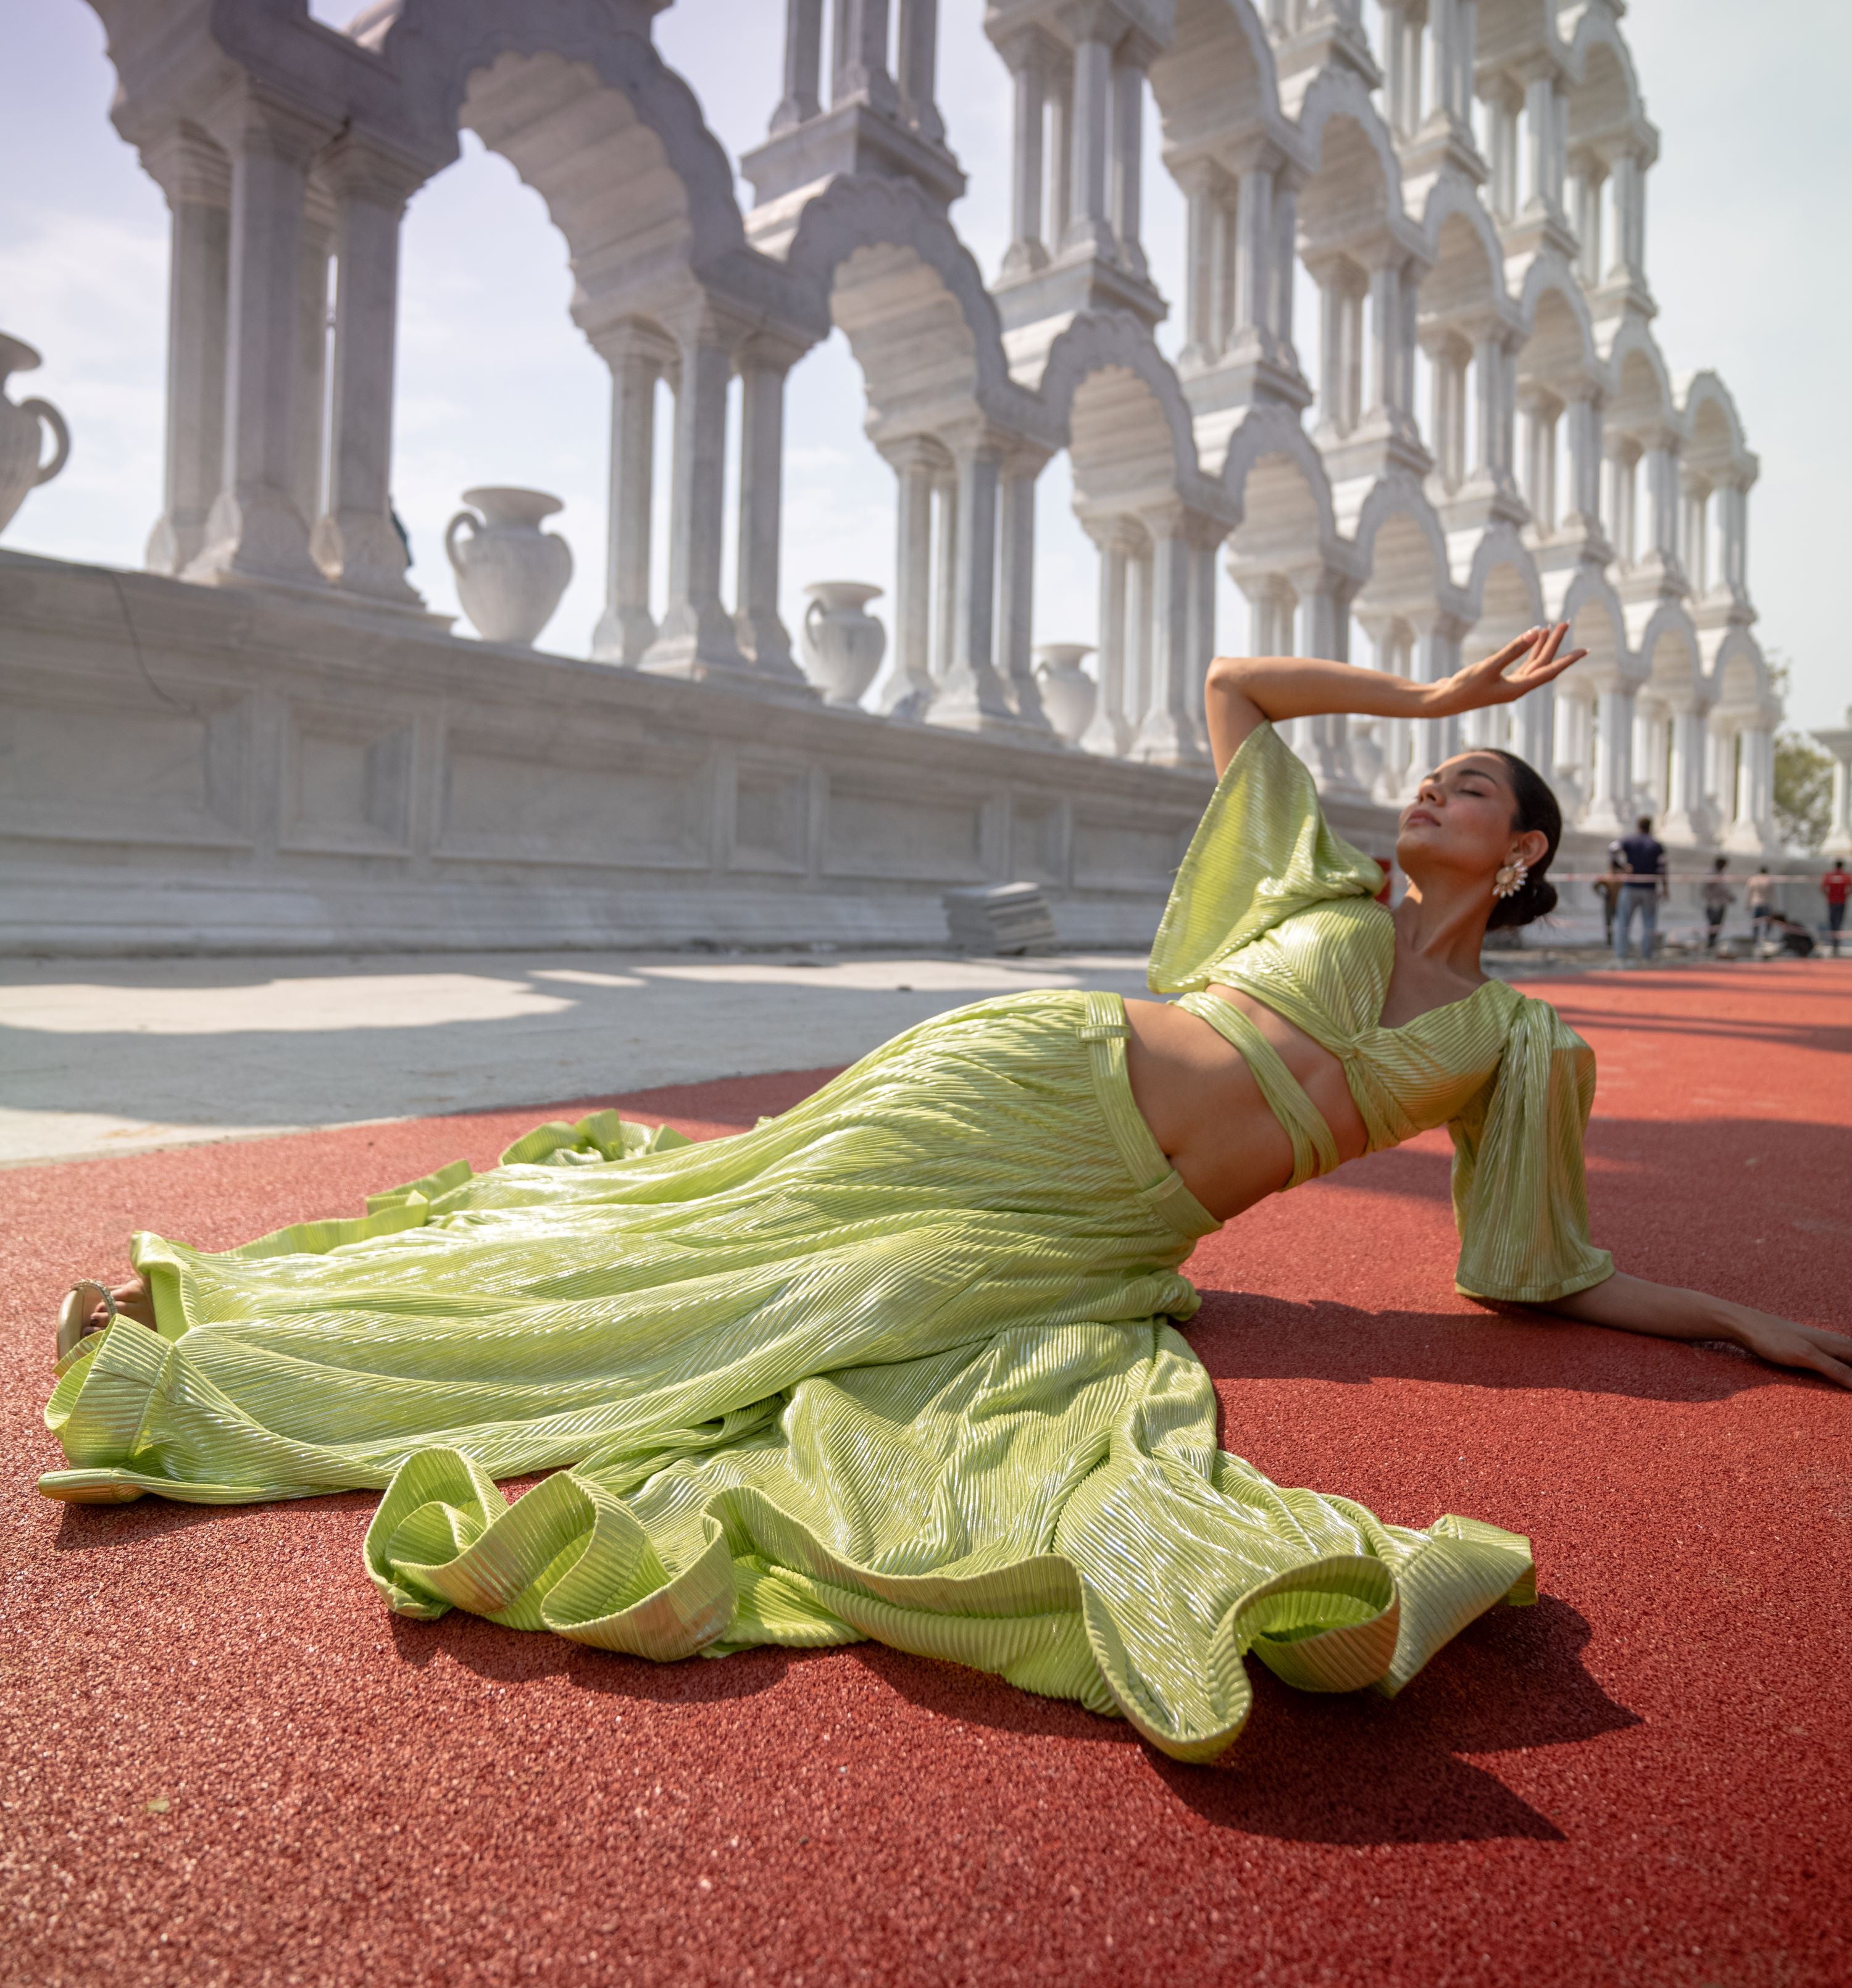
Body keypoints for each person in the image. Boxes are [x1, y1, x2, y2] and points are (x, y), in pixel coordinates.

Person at [41, 631, 1851, 1771]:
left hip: (1096, 1228)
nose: (1437, 786)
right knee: (702, 1243)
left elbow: (1539, 1267)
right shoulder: (1315, 880)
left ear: (1523, 855)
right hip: (1016, 1075)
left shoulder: (1521, 1041)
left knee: (772, 1325)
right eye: (1434, 772)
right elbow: (1237, 690)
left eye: (1471, 782)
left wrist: (1738, 1323)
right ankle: (221, 1343)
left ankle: (237, 1359)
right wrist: (1431, 691)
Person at [1609, 813, 1667, 963]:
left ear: (1638, 826)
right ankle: (1646, 955)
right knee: (1649, 923)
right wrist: (1665, 888)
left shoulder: (1630, 841)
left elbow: (1612, 849)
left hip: (1631, 887)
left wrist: (1618, 868)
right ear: (1650, 827)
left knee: (1623, 922)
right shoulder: (1656, 846)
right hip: (1649, 889)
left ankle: (1621, 954)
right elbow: (1662, 868)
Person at [1701, 858, 1735, 954]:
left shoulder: (1721, 874)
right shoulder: (1711, 874)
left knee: (1717, 925)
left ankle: (1713, 942)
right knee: (1713, 923)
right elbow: (1712, 888)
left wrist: (1729, 897)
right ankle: (1710, 943)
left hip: (1721, 903)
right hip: (1713, 903)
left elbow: (1724, 889)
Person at [1822, 858, 1850, 958]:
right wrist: (1845, 896)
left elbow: (1823, 888)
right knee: (1837, 923)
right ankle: (1835, 945)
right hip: (1840, 902)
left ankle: (1835, 945)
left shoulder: (1830, 876)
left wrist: (1829, 896)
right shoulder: (1845, 876)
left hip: (1833, 902)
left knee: (1834, 923)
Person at [1746, 865, 1775, 959]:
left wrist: (1747, 904)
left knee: (1757, 924)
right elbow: (1772, 894)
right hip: (1764, 904)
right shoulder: (1768, 880)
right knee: (1762, 924)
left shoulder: (1754, 879)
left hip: (1757, 903)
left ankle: (1759, 940)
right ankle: (1762, 939)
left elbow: (1749, 893)